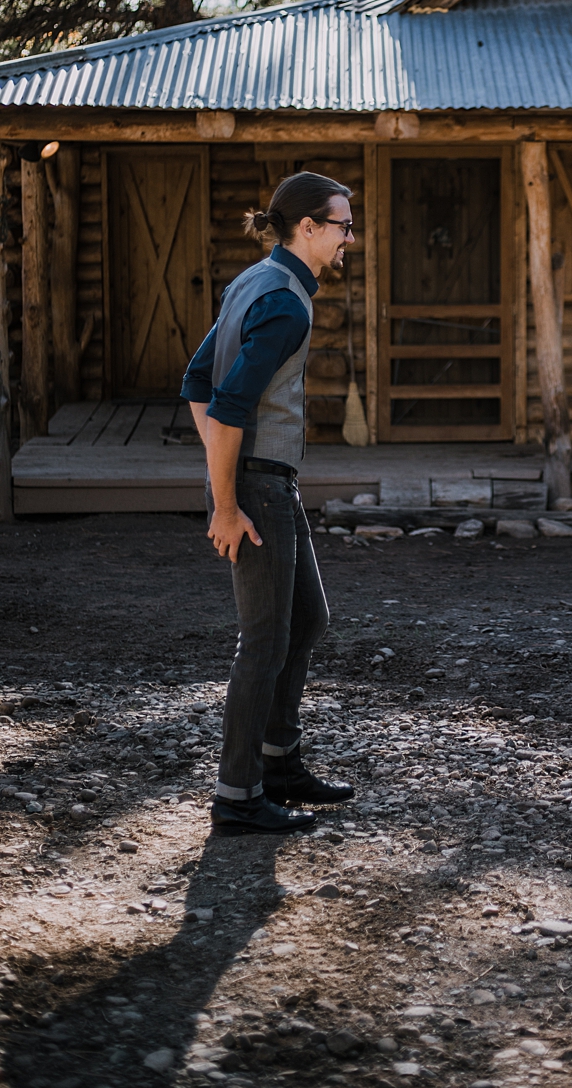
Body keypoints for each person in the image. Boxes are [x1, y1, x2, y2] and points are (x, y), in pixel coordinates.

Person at [182, 172, 357, 836]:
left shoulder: (253, 282)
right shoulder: (283, 302)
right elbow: (224, 405)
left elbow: (196, 380)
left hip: (260, 479)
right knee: (262, 644)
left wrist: (223, 467)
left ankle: (280, 761)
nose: (349, 238)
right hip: (255, 489)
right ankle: (237, 795)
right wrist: (226, 500)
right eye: (342, 226)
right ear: (306, 228)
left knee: (306, 620)